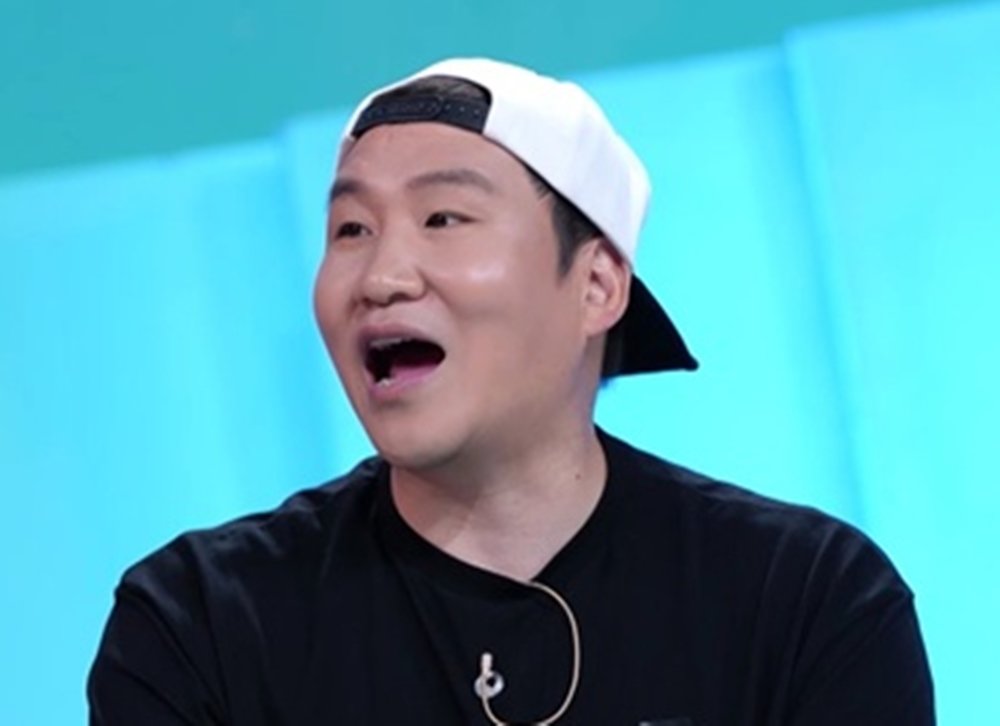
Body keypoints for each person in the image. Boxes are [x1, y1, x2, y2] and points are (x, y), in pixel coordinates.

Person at [88, 58, 935, 725]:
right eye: (351, 229)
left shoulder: (803, 599)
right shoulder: (203, 624)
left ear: (597, 285)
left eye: (443, 218)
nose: (381, 275)